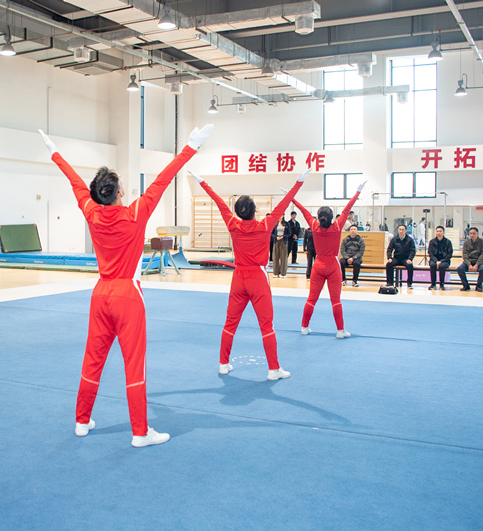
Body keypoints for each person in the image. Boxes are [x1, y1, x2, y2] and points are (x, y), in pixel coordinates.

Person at [38, 124, 213, 447]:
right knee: (134, 364)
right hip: (128, 296)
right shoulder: (135, 214)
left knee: (93, 359)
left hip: (100, 294)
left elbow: (75, 181)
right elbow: (163, 180)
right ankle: (140, 432)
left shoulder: (91, 212)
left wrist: (55, 153)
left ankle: (81, 420)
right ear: (119, 193)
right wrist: (190, 147)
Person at [191, 168, 309, 380]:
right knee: (266, 325)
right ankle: (273, 369)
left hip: (239, 278)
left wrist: (202, 182)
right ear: (255, 211)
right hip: (257, 279)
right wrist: (298, 182)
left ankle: (223, 364)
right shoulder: (265, 225)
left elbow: (218, 202)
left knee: (230, 323)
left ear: (238, 212)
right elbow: (283, 205)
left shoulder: (233, 224)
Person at [287, 182, 366, 339]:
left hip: (318, 266)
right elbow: (347, 209)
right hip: (332, 266)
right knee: (335, 300)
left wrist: (291, 198)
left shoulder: (314, 226)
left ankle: (304, 327)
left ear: (318, 217)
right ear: (330, 217)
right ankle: (340, 330)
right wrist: (357, 192)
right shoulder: (336, 227)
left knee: (311, 299)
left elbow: (303, 211)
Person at [457, 227, 483, 292]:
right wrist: (469, 265)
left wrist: (476, 265)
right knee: (460, 269)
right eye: (470, 233)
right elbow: (465, 254)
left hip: (479, 262)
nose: (472, 235)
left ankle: (479, 285)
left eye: (474, 233)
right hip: (469, 262)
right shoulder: (466, 242)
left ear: (477, 234)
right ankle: (466, 286)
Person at [385, 224, 416, 288]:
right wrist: (389, 258)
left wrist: (410, 259)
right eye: (400, 229)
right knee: (389, 264)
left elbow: (413, 250)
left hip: (406, 259)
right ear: (398, 230)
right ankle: (390, 283)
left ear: (405, 231)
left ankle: (409, 283)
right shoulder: (394, 239)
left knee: (410, 266)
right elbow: (389, 249)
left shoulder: (410, 240)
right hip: (397, 258)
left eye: (403, 230)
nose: (401, 231)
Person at [427, 225, 453, 290]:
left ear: (443, 232)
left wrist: (441, 261)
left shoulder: (448, 242)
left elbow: (449, 254)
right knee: (432, 265)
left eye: (440, 231)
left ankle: (442, 284)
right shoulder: (432, 242)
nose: (438, 233)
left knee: (442, 266)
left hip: (444, 260)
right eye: (437, 231)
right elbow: (430, 253)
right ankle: (433, 284)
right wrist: (436, 261)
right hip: (434, 260)